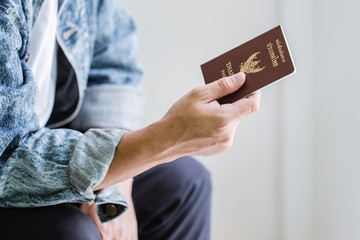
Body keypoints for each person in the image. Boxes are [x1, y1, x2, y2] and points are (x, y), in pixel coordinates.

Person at [0, 0, 261, 239]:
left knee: (186, 184)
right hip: (12, 177)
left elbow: (112, 68)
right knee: (74, 233)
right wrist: (164, 139)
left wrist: (117, 183)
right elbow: (8, 150)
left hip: (53, 155)